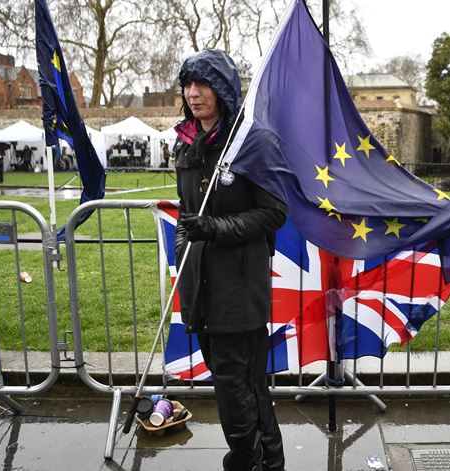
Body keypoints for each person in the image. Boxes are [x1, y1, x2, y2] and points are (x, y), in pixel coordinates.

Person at [173, 49, 286, 471]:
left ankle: (246, 460)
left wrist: (215, 229)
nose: (194, 93)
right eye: (188, 84)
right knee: (240, 382)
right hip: (201, 283)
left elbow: (273, 213)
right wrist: (186, 248)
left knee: (237, 383)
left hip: (239, 286)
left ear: (222, 89)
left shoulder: (251, 142)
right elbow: (187, 215)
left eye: (202, 84)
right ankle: (266, 461)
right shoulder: (186, 142)